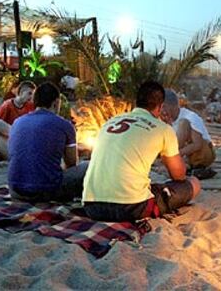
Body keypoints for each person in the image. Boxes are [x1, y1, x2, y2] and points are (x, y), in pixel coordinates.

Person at [82, 81, 201, 222]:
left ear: (136, 102)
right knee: (194, 183)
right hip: (131, 207)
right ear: (161, 106)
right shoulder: (163, 129)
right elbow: (179, 175)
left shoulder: (110, 122)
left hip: (91, 207)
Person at [8, 82, 87, 202]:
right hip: (46, 192)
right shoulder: (65, 125)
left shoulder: (17, 122)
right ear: (56, 102)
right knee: (88, 166)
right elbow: (71, 164)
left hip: (15, 190)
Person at [162, 89, 215, 170]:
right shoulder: (167, 120)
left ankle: (173, 160)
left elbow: (197, 145)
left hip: (203, 155)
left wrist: (175, 156)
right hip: (186, 157)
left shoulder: (190, 117)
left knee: (184, 123)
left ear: (173, 105)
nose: (162, 110)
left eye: (164, 106)